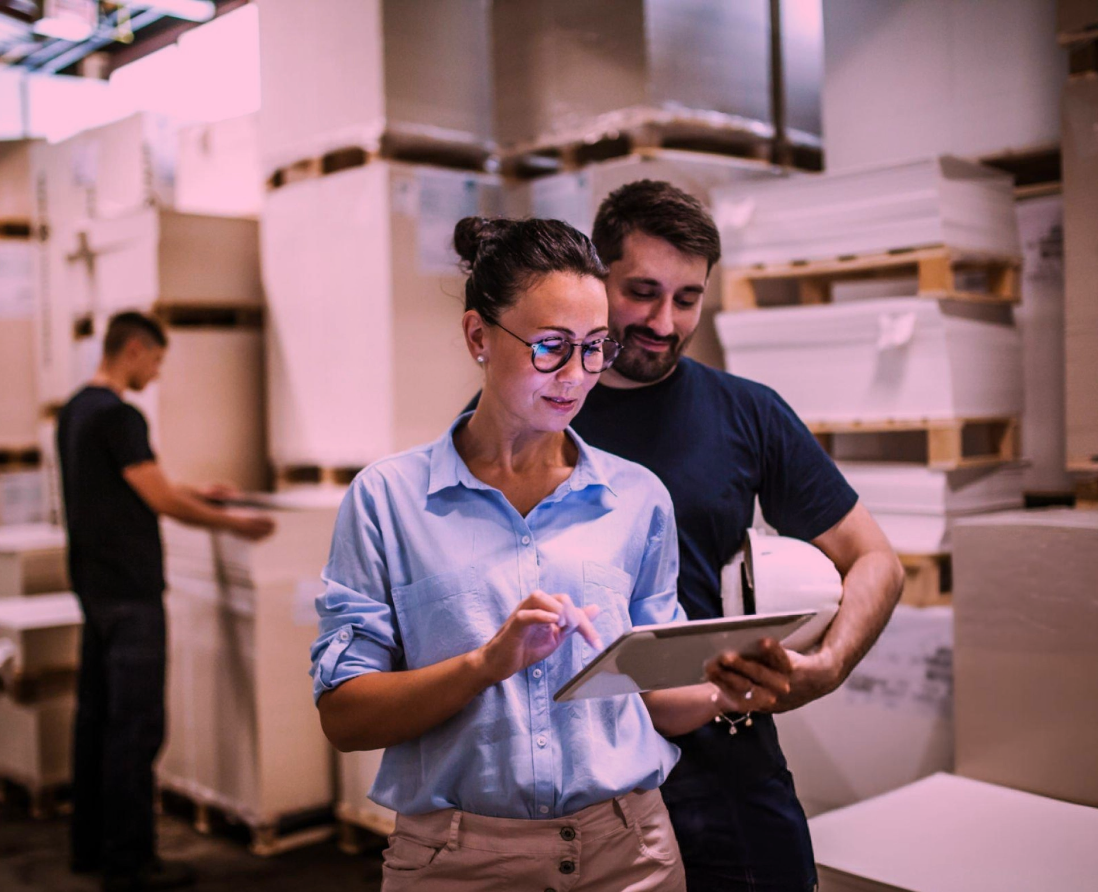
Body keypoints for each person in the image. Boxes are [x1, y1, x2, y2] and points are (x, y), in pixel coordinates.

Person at [311, 217, 779, 892]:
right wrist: (485, 663)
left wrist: (721, 688)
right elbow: (345, 716)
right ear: (478, 336)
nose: (576, 377)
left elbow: (650, 698)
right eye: (552, 347)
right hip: (459, 864)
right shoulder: (388, 500)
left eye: (595, 348)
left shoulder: (637, 498)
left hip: (631, 854)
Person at [573, 180, 905, 891]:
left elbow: (875, 559)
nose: (665, 320)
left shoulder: (745, 412)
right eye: (642, 291)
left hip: (723, 769)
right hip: (577, 784)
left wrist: (828, 666)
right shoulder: (534, 407)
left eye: (687, 298)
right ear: (596, 277)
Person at [56, 311, 275, 892]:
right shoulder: (120, 415)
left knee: (96, 721)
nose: (155, 372)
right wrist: (233, 524)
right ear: (133, 349)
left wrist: (195, 489)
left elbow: (128, 484)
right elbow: (158, 499)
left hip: (95, 589)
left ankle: (89, 849)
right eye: (155, 360)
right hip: (131, 594)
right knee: (136, 728)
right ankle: (130, 865)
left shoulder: (77, 409)